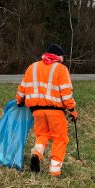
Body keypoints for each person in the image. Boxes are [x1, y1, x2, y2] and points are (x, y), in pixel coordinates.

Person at [15, 43, 78, 177]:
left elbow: (22, 88)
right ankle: (55, 171)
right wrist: (72, 110)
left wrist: (19, 100)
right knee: (60, 138)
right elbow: (66, 93)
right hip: (55, 111)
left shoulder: (32, 67)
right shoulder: (61, 69)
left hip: (36, 111)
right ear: (59, 56)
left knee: (42, 135)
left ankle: (36, 154)